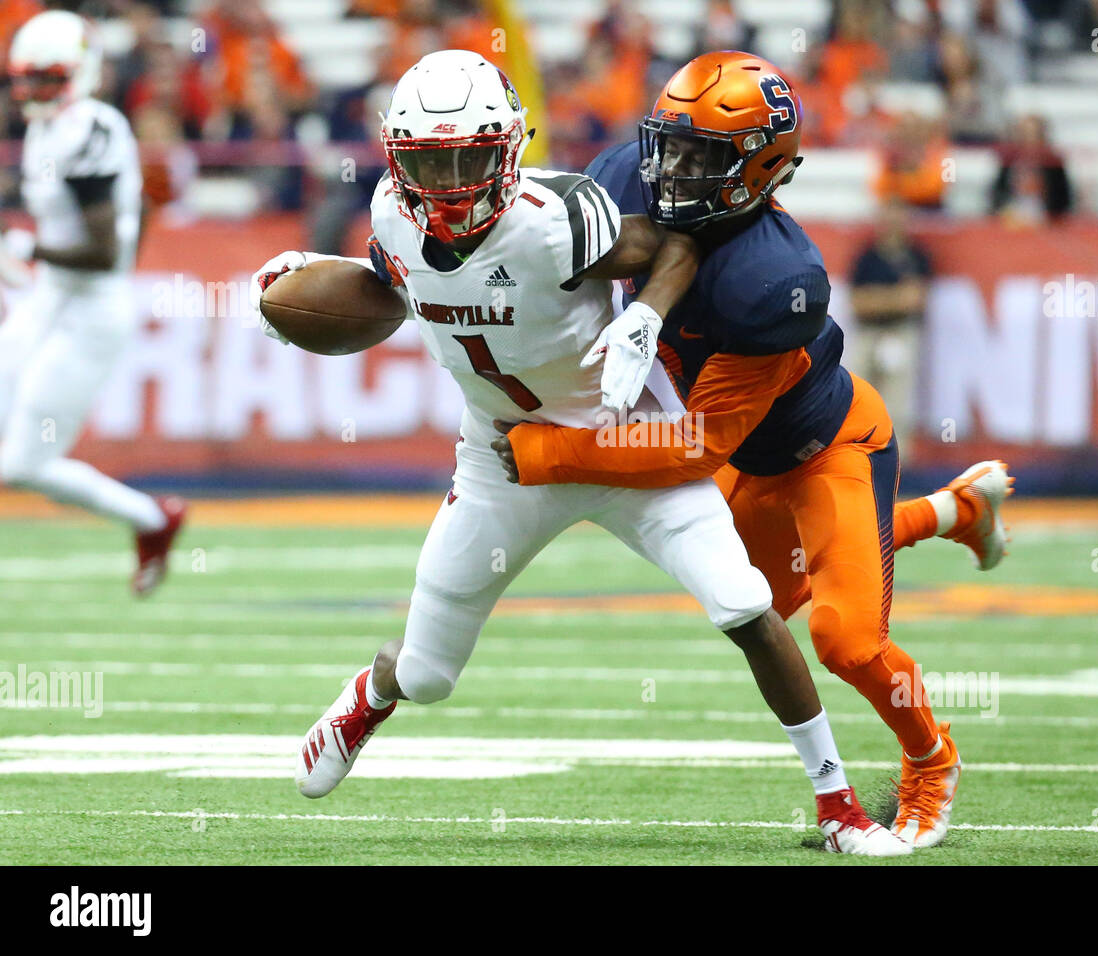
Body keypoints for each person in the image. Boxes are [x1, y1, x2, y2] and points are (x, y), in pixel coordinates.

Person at [253, 50, 911, 857]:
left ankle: (837, 803)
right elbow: (392, 286)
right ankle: (371, 693)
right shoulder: (393, 214)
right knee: (428, 675)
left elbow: (674, 248)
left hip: (622, 434)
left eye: (469, 156)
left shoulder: (556, 216)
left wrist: (645, 318)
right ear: (397, 158)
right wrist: (302, 294)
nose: (452, 180)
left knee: (744, 604)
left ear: (510, 150)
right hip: (500, 462)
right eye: (431, 159)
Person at [493, 52, 1015, 849]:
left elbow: (695, 449)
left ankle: (932, 759)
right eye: (672, 143)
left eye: (705, 155)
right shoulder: (622, 178)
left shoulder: (772, 280)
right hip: (746, 458)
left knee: (844, 639)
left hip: (826, 447)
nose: (674, 169)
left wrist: (546, 452)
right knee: (753, 605)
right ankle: (955, 510)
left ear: (761, 169)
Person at [0, 10, 186, 596]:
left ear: (79, 73)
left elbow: (103, 252)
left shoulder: (90, 129)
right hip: (51, 297)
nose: (31, 90)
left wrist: (30, 247)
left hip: (90, 309)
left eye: (47, 77)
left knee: (23, 465)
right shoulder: (50, 126)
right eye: (25, 78)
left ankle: (154, 518)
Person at [848, 198, 931, 450]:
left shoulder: (916, 256)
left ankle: (898, 460)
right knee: (859, 397)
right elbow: (859, 302)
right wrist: (896, 297)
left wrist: (877, 297)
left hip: (899, 332)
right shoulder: (867, 256)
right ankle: (859, 454)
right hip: (869, 332)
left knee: (897, 401)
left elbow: (917, 299)